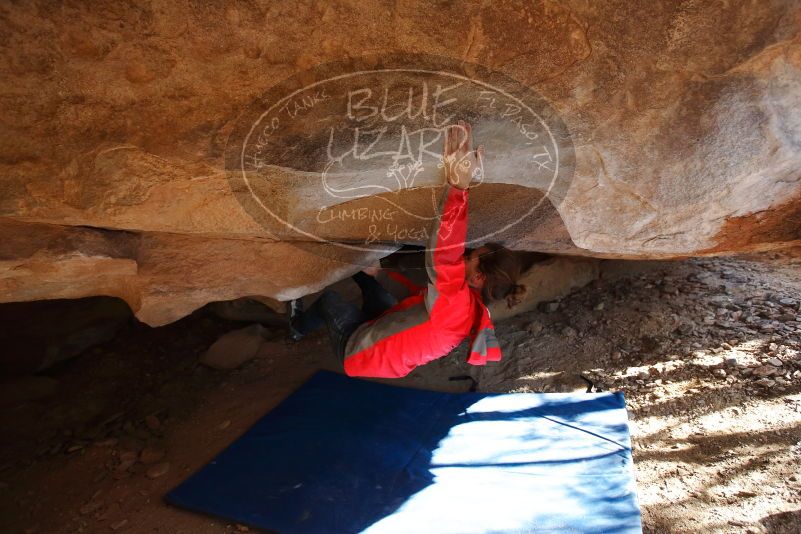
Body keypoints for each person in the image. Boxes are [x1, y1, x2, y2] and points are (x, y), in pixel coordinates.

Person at [288, 120, 527, 378]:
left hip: (361, 354)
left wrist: (458, 186)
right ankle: (363, 280)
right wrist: (379, 274)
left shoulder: (456, 308)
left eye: (470, 256)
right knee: (368, 277)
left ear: (478, 277)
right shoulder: (468, 305)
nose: (465, 256)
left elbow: (445, 255)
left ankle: (297, 327)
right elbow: (420, 295)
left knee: (330, 301)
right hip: (386, 328)